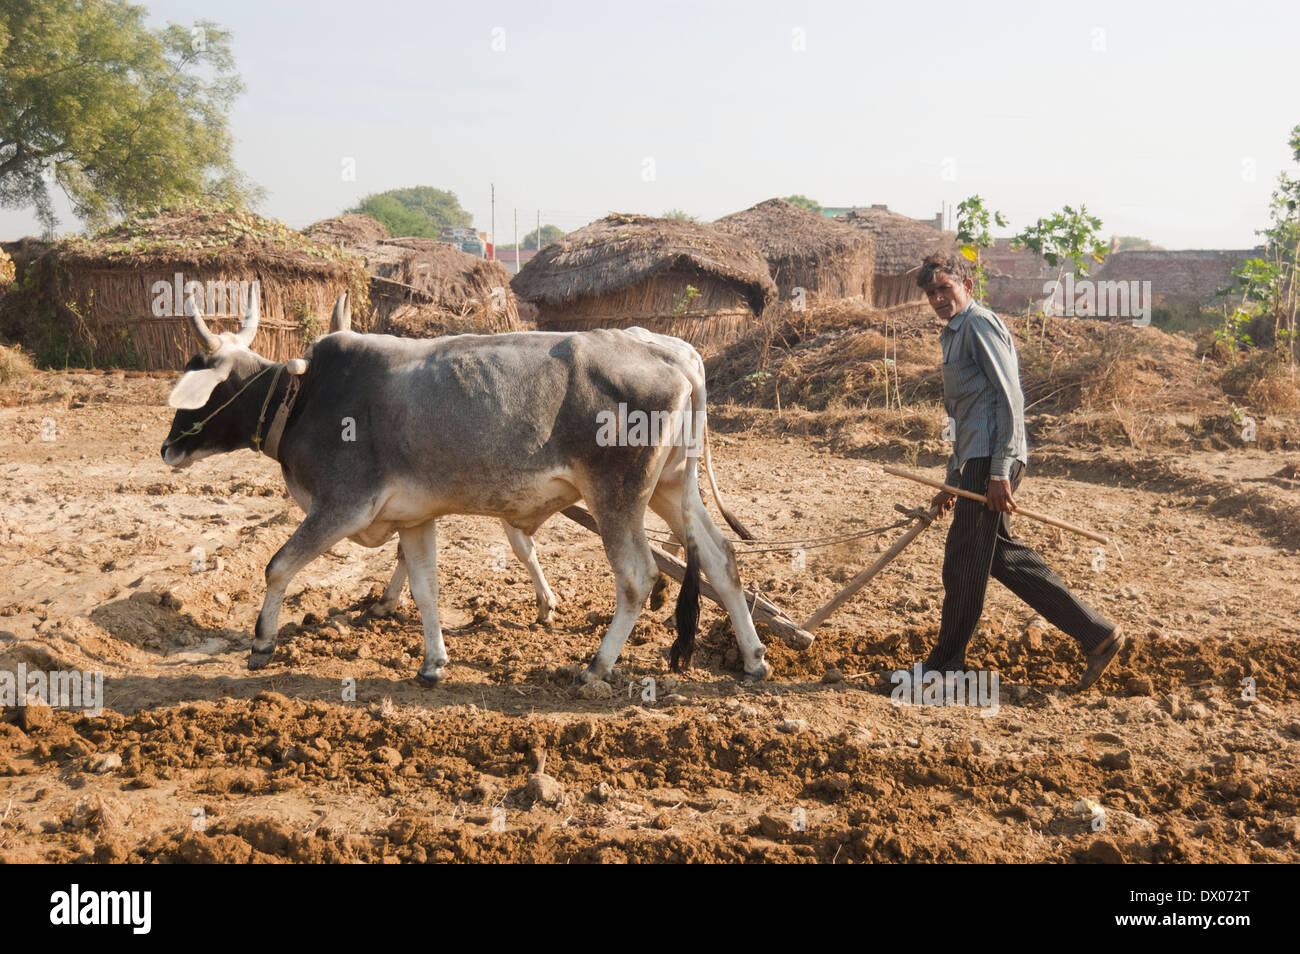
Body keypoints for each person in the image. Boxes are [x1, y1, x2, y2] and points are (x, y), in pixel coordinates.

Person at [916, 250, 1124, 691]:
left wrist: (998, 472)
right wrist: (950, 481)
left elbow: (1010, 399)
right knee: (995, 557)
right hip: (974, 462)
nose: (938, 297)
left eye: (945, 288)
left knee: (964, 562)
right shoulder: (952, 335)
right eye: (931, 292)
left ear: (967, 287)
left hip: (993, 461)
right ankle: (1098, 635)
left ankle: (945, 663)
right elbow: (964, 412)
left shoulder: (978, 324)